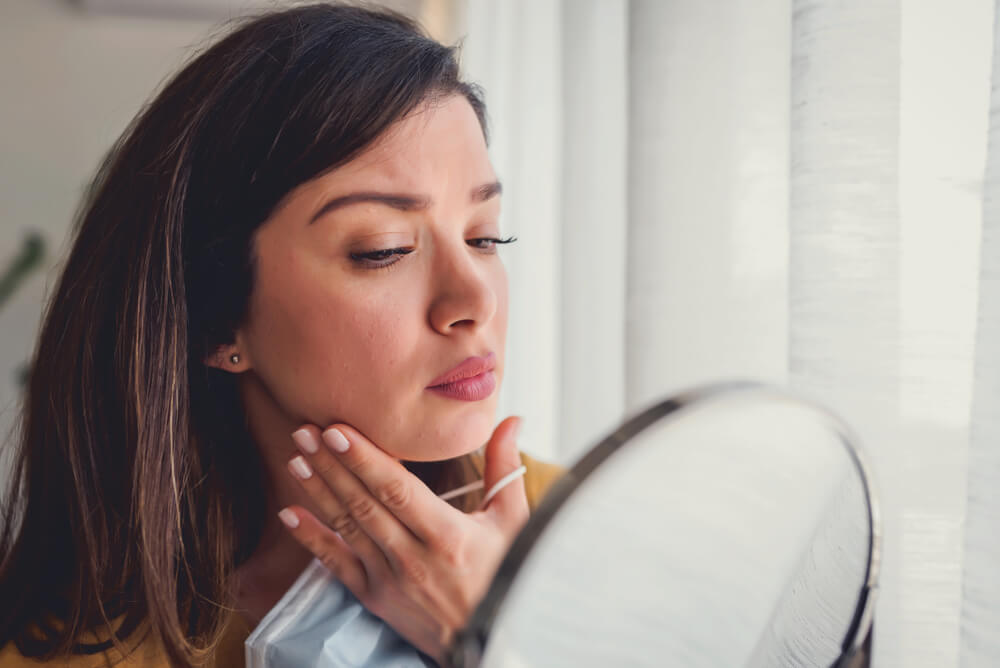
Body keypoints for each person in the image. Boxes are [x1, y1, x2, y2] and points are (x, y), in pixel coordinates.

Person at [0, 3, 563, 666]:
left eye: (485, 237)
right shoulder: (70, 647)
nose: (473, 300)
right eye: (383, 250)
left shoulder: (599, 537)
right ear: (216, 320)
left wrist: (494, 640)